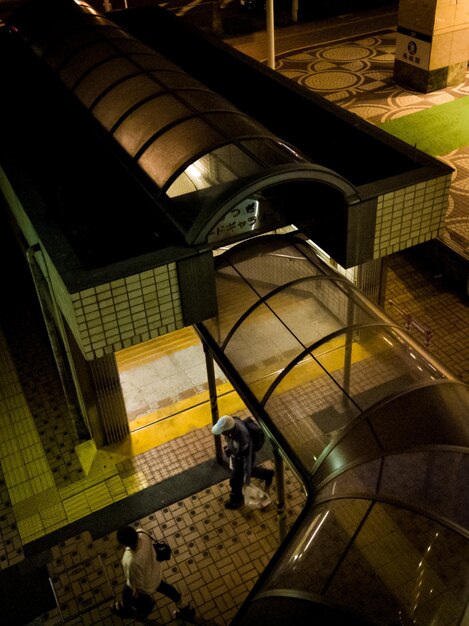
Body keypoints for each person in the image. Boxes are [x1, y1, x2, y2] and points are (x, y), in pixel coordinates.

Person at [112, 525, 195, 621]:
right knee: (165, 588)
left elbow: (137, 585)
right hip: (155, 570)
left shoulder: (130, 560)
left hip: (147, 583)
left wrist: (137, 595)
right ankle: (183, 606)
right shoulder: (141, 533)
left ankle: (125, 607)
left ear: (124, 544)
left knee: (127, 590)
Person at [212, 414, 274, 509]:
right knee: (245, 472)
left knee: (235, 480)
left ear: (228, 430)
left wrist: (247, 481)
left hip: (243, 458)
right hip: (239, 455)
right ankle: (267, 474)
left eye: (222, 432)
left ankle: (236, 500)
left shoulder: (241, 441)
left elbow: (247, 460)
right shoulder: (233, 421)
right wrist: (230, 449)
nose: (221, 434)